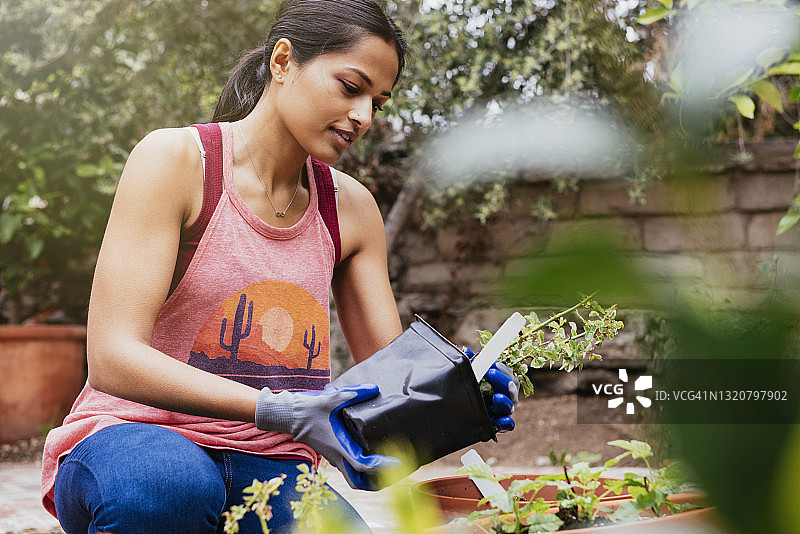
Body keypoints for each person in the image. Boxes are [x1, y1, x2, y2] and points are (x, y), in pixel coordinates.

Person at [40, 1, 518, 532]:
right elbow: (113, 358)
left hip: (273, 467)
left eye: (378, 102)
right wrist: (276, 409)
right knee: (169, 489)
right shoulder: (178, 161)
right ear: (284, 61)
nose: (364, 116)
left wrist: (457, 399)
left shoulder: (351, 209)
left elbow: (387, 388)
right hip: (135, 438)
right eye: (350, 86)